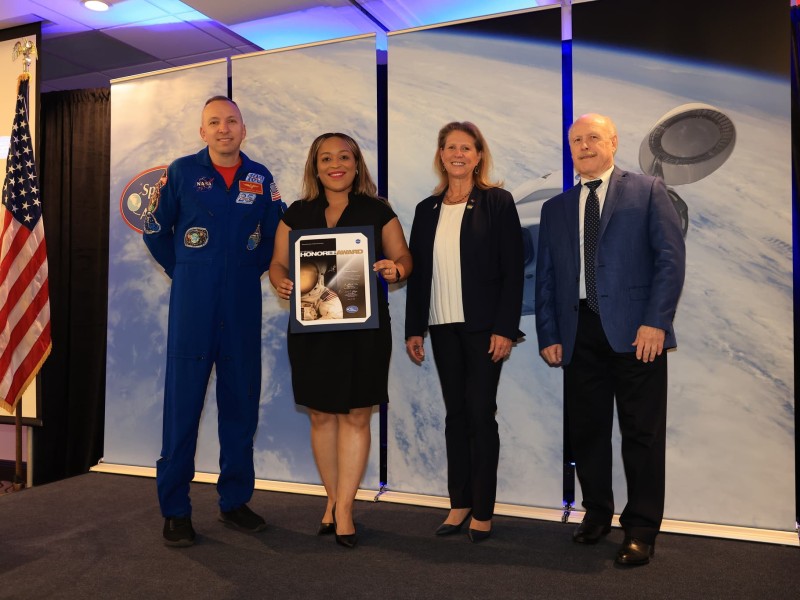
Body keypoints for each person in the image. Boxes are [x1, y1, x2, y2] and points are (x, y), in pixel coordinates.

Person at [535, 113, 685, 566]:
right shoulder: (556, 208)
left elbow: (669, 259)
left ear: (613, 142)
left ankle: (641, 528)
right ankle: (597, 513)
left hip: (638, 332)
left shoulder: (648, 190)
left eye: (593, 137)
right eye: (576, 140)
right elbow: (546, 278)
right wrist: (549, 332)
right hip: (578, 331)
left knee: (642, 433)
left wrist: (656, 322)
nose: (584, 146)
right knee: (587, 431)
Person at [142, 96, 286, 547]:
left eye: (231, 121)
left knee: (241, 406)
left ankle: (234, 501)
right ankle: (175, 510)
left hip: (241, 304)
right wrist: (187, 269)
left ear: (244, 129)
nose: (224, 128)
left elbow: (275, 236)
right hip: (193, 307)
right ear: (202, 132)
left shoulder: (260, 178)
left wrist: (245, 270)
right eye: (214, 122)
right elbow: (154, 230)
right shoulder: (183, 172)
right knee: (182, 409)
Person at [269, 132, 412, 549]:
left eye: (344, 157)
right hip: (312, 330)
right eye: (326, 158)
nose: (336, 164)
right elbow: (277, 263)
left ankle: (345, 508)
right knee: (321, 416)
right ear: (315, 167)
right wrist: (280, 281)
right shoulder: (296, 213)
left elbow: (404, 257)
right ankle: (332, 499)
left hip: (365, 331)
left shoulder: (377, 210)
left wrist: (397, 270)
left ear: (356, 163)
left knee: (356, 416)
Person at [404, 121, 524, 543]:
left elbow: (513, 271)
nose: (458, 154)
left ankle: (483, 510)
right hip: (441, 326)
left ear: (478, 156)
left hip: (484, 329)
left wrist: (505, 328)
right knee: (455, 415)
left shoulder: (497, 202)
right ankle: (459, 503)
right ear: (441, 155)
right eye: (450, 147)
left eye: (466, 148)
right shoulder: (426, 209)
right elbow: (418, 275)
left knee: (479, 413)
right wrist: (414, 328)